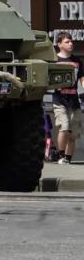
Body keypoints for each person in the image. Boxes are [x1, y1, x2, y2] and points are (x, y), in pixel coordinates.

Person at [52, 32, 83, 165]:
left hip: (74, 100)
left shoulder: (77, 61)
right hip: (59, 99)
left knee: (73, 133)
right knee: (64, 126)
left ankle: (67, 159)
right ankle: (60, 154)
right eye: (67, 42)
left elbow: (82, 78)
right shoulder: (54, 60)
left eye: (71, 41)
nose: (71, 44)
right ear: (59, 44)